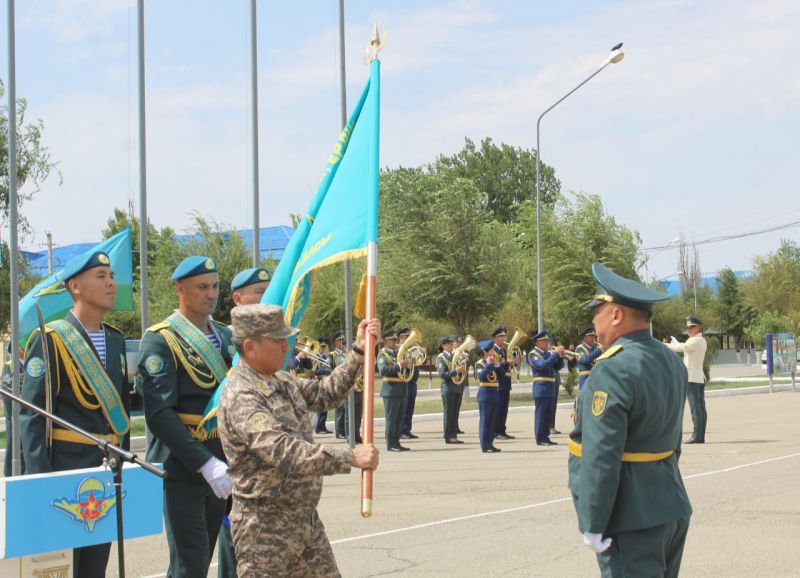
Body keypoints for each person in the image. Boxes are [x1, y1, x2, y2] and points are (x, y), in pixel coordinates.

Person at [217, 304, 380, 577]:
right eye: (277, 340)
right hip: (264, 532)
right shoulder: (241, 395)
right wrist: (349, 457)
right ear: (250, 346)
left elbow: (325, 393)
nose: (286, 346)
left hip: (305, 523)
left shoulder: (282, 380)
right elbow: (282, 450)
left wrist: (359, 352)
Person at [569, 263, 692, 577]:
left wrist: (594, 523)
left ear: (616, 315)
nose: (594, 325)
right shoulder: (670, 360)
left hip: (629, 518)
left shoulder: (612, 368)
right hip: (669, 505)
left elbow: (601, 453)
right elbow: (672, 442)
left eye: (596, 314)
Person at [20, 250, 130, 577]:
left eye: (111, 276)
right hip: (65, 470)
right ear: (75, 287)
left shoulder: (115, 340)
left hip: (106, 471)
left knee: (95, 567)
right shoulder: (51, 338)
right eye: (101, 277)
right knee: (63, 567)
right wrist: (43, 481)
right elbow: (32, 415)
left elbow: (119, 409)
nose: (111, 282)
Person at [139, 256, 235, 578]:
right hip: (184, 467)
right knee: (189, 566)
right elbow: (159, 414)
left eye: (215, 286)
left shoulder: (225, 337)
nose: (211, 294)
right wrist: (204, 463)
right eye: (202, 287)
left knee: (203, 556)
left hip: (223, 462)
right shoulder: (161, 339)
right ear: (180, 288)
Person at [218, 266, 270, 578]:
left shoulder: (271, 340)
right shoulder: (225, 339)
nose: (267, 298)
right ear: (238, 299)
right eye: (260, 293)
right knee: (234, 540)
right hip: (234, 451)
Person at [665, 316, 709, 444]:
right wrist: (676, 343)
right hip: (697, 378)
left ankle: (697, 436)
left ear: (699, 328)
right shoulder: (698, 340)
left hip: (692, 379)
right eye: (688, 328)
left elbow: (681, 347)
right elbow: (685, 347)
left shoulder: (695, 341)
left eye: (692, 327)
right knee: (700, 409)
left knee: (696, 409)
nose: (689, 330)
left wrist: (663, 344)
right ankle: (699, 436)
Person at [528, 331, 564, 446]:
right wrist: (554, 355)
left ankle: (546, 437)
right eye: (545, 341)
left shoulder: (548, 354)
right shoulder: (533, 354)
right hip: (541, 387)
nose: (547, 343)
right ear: (538, 342)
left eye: (547, 341)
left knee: (548, 414)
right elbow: (542, 365)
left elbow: (557, 367)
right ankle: (540, 438)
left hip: (550, 387)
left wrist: (560, 357)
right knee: (541, 414)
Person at [377, 329, 410, 452]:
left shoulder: (398, 354)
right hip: (390, 390)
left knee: (400, 418)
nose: (395, 342)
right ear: (385, 341)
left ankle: (397, 442)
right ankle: (390, 444)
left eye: (396, 340)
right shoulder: (382, 354)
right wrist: (400, 365)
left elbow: (406, 371)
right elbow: (383, 370)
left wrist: (409, 364)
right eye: (392, 340)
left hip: (402, 389)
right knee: (392, 419)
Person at [475, 340, 503, 453]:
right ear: (485, 352)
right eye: (490, 350)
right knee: (485, 421)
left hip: (494, 394)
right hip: (485, 394)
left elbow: (502, 376)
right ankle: (484, 445)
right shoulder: (480, 363)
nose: (492, 352)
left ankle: (490, 443)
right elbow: (481, 376)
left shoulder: (494, 363)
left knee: (492, 422)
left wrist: (497, 364)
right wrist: (488, 364)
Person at [436, 336, 464, 444]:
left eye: (452, 344)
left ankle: (454, 435)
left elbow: (458, 369)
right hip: (448, 388)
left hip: (456, 387)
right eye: (449, 344)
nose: (452, 346)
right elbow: (442, 374)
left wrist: (461, 371)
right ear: (443, 346)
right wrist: (456, 371)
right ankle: (448, 436)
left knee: (455, 413)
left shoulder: (454, 356)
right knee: (449, 412)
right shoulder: (441, 358)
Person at [491, 326, 515, 440]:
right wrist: (507, 363)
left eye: (504, 336)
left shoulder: (504, 350)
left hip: (506, 382)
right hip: (498, 382)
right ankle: (496, 431)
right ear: (495, 338)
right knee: (499, 408)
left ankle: (502, 430)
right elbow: (496, 367)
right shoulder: (493, 351)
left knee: (504, 408)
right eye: (500, 336)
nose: (503, 338)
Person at [398, 327, 420, 440]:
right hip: (404, 381)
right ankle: (401, 430)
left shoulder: (412, 349)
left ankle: (407, 430)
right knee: (404, 408)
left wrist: (418, 357)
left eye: (408, 337)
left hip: (412, 382)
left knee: (410, 408)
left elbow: (420, 358)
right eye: (405, 337)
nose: (407, 339)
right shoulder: (399, 350)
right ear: (400, 338)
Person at [312, 337, 333, 434]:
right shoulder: (314, 357)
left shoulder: (326, 358)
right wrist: (322, 373)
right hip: (318, 383)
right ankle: (318, 427)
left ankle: (322, 426)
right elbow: (314, 371)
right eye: (322, 346)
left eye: (325, 346)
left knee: (325, 406)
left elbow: (329, 370)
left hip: (326, 383)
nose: (323, 348)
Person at [331, 331, 348, 439]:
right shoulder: (332, 355)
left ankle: (344, 431)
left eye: (343, 341)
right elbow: (327, 367)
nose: (343, 343)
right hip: (337, 383)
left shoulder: (346, 353)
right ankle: (339, 431)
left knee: (345, 409)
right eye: (340, 341)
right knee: (340, 409)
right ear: (336, 342)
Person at [575, 326, 602, 391]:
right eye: (591, 337)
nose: (593, 339)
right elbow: (585, 360)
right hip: (585, 379)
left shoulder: (595, 349)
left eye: (594, 337)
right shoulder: (579, 349)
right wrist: (599, 350)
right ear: (584, 337)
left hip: (596, 379)